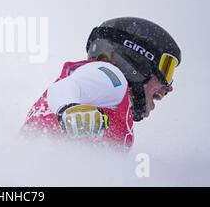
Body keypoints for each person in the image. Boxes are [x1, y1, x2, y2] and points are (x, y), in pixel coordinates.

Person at [20, 17, 181, 150]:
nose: (169, 86)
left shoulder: (114, 101)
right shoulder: (111, 77)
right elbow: (64, 87)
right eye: (167, 68)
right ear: (137, 61)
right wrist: (68, 110)